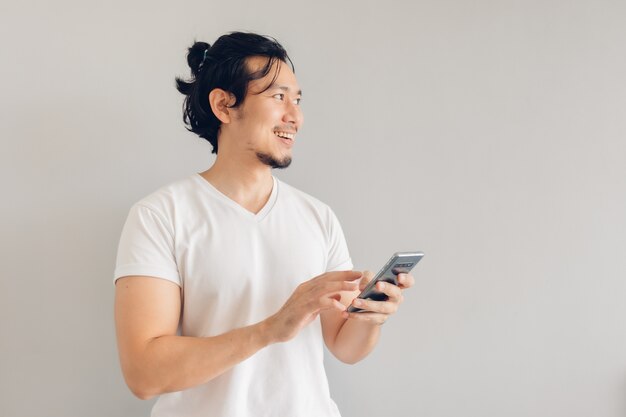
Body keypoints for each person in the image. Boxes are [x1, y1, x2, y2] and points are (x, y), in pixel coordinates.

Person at [114, 31, 414, 417]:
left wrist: (372, 317)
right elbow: (144, 373)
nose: (296, 116)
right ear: (224, 105)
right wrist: (271, 328)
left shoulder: (317, 217)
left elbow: (345, 346)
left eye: (298, 99)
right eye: (278, 96)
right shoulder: (160, 215)